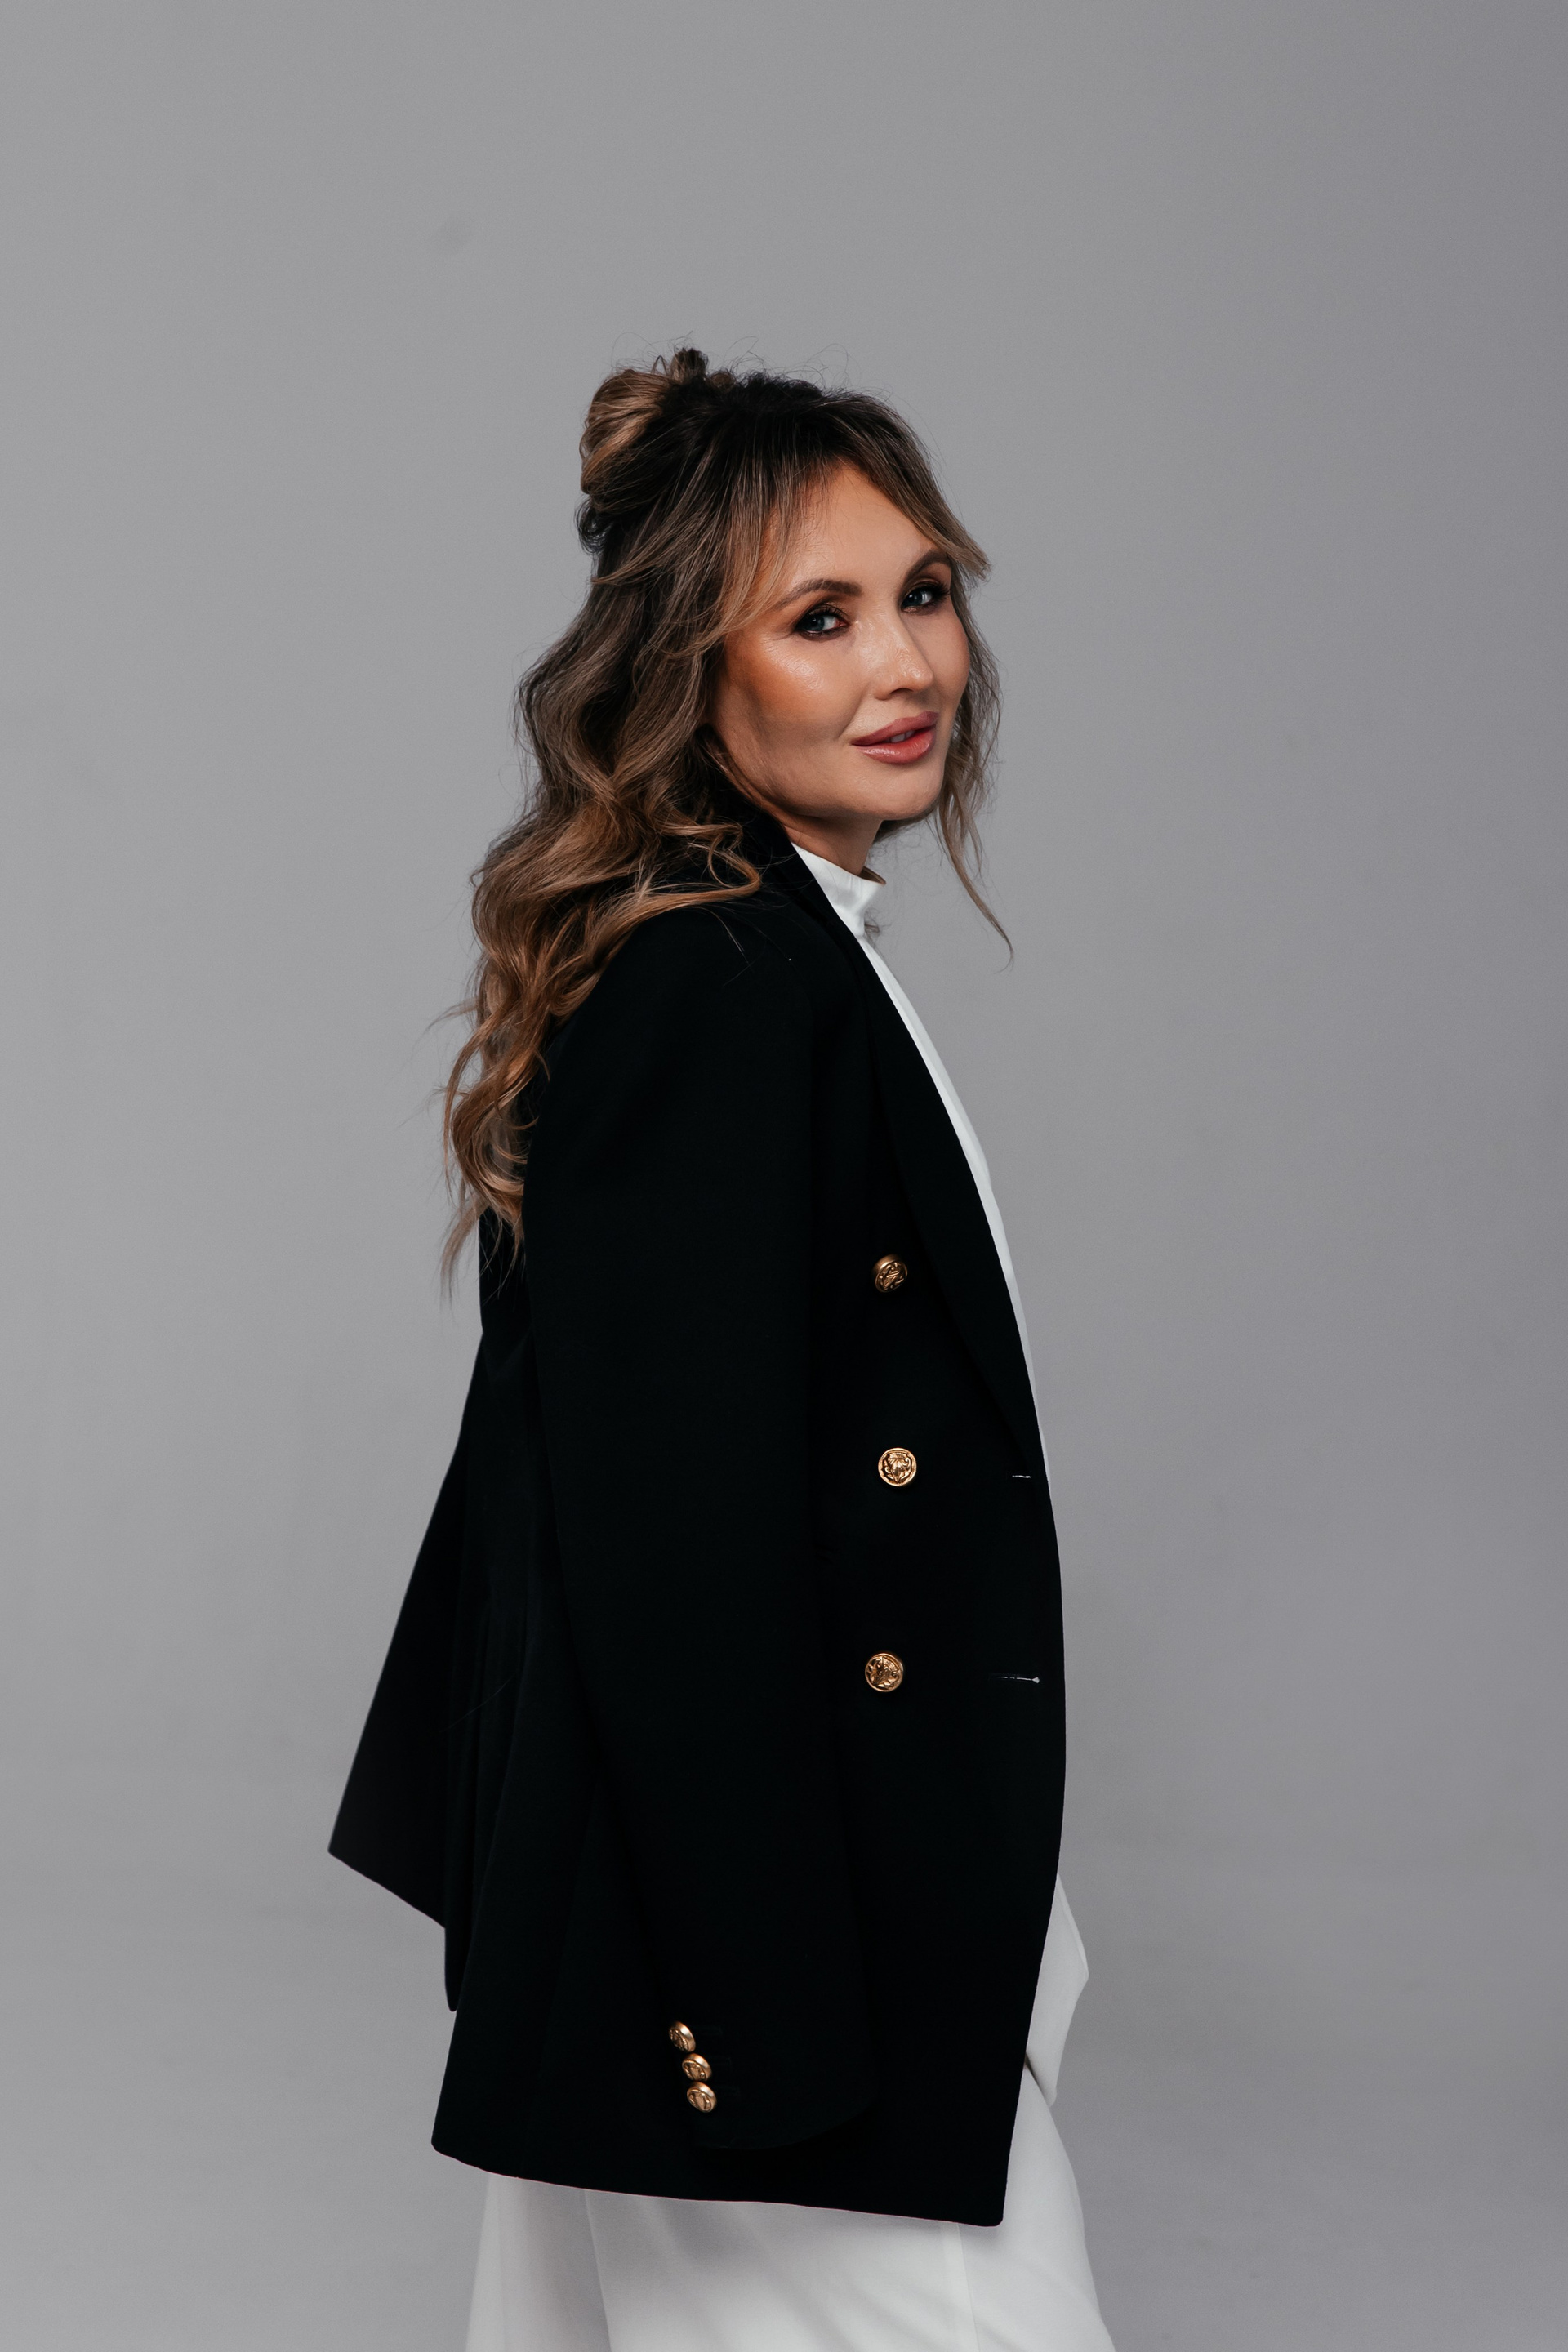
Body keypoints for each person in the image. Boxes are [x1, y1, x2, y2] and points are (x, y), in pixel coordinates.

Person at [332, 350, 1115, 2350]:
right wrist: (759, 2020)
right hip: (759, 1948)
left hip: (690, 1907)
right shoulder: (724, 987)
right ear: (692, 665)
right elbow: (669, 1550)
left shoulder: (778, 947)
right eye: (818, 618)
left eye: (923, 592)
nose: (906, 664)